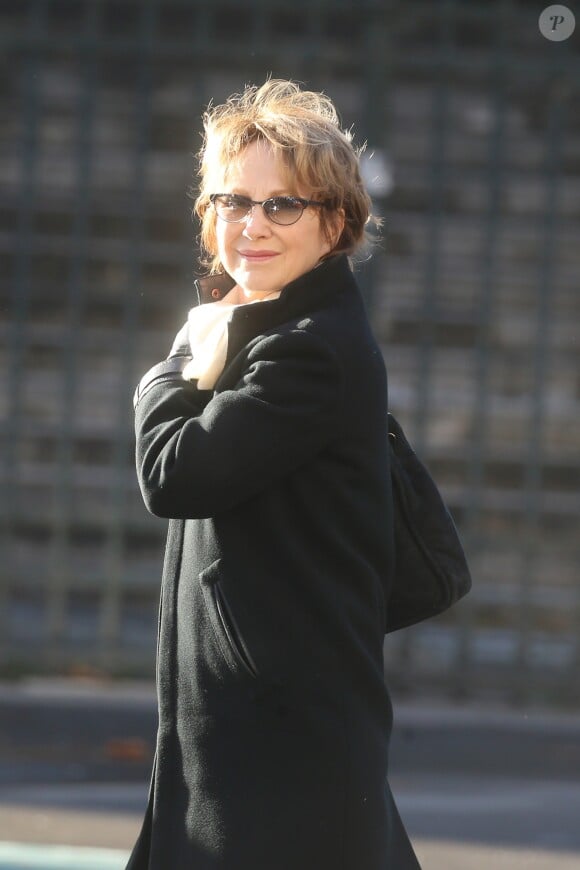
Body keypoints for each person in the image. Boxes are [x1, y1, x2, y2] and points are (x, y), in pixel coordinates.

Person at [127, 79, 421, 870]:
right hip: (254, 739)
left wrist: (178, 365)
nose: (251, 224)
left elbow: (173, 474)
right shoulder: (273, 330)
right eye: (232, 200)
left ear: (335, 222)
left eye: (282, 204)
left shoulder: (308, 349)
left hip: (278, 753)